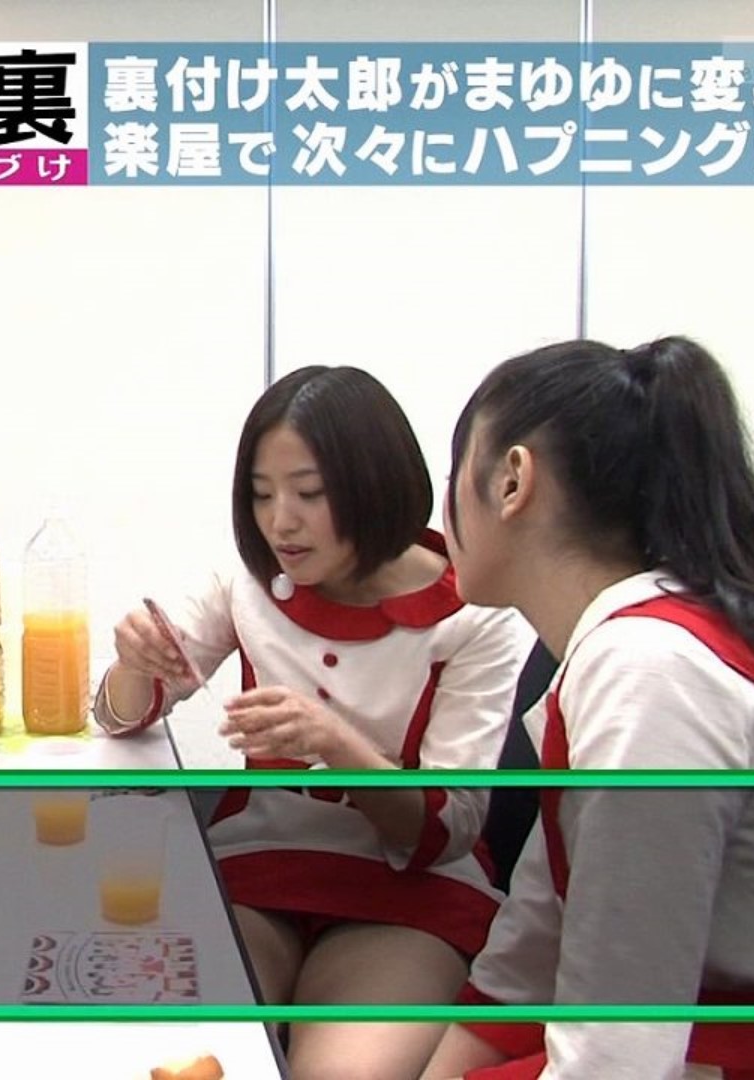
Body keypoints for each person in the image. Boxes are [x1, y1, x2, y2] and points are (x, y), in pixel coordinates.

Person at [423, 336, 754, 1079]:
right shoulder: (628, 653)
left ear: (512, 480)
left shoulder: (648, 672)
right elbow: (528, 955)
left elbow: (618, 1055)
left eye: (454, 472)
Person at [96, 365, 533, 1080]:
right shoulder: (249, 584)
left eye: (309, 493)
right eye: (262, 494)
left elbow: (449, 826)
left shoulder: (471, 615)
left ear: (374, 483)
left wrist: (334, 742)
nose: (281, 522)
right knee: (180, 1056)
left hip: (406, 894)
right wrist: (133, 662)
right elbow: (121, 717)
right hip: (258, 868)